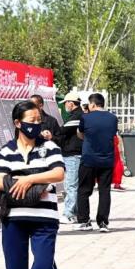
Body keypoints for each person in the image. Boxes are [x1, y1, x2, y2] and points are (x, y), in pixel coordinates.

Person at [0, 100, 66, 269]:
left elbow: (58, 173)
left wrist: (28, 179)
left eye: (38, 120)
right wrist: (37, 185)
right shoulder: (6, 151)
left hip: (44, 219)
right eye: (31, 121)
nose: (36, 124)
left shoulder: (49, 148)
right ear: (18, 123)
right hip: (14, 219)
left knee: (43, 268)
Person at [75, 93, 118, 233]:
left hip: (89, 159)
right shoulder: (113, 118)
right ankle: (103, 222)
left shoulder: (85, 117)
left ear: (92, 104)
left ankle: (84, 221)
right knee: (104, 191)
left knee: (83, 190)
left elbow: (80, 134)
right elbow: (112, 135)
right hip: (107, 160)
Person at [56, 92, 84, 224]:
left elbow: (61, 131)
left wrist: (50, 136)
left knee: (71, 185)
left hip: (73, 155)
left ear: (71, 103)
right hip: (73, 154)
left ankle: (69, 214)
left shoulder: (76, 116)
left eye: (66, 103)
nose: (65, 106)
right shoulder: (77, 115)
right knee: (74, 185)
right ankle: (76, 213)